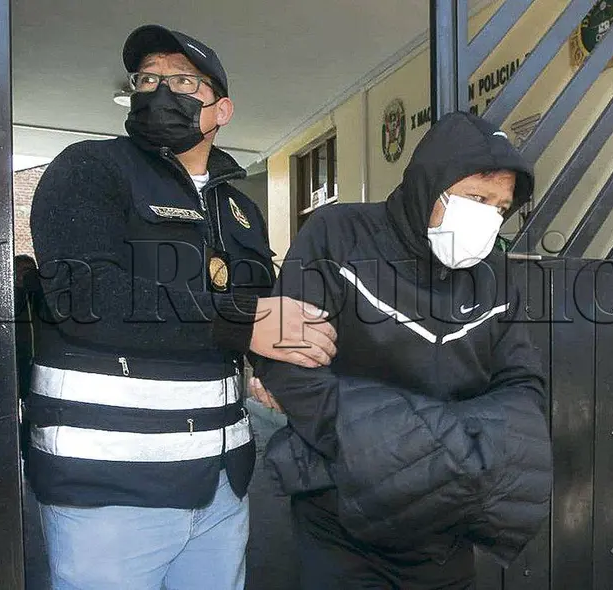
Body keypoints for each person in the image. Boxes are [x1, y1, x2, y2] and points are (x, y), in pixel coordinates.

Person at [27, 24, 336, 590]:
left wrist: (270, 367)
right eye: (148, 78)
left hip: (220, 482)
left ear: (223, 111)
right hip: (110, 487)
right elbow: (87, 298)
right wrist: (244, 326)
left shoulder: (239, 208)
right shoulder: (90, 169)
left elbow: (251, 305)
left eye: (183, 81)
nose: (160, 90)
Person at [257, 111, 553, 589]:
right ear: (428, 185)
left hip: (445, 527)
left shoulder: (496, 274)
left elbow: (522, 386)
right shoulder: (338, 235)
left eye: (500, 208)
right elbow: (290, 366)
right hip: (341, 517)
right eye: (476, 198)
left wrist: (432, 460)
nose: (489, 217)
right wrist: (429, 450)